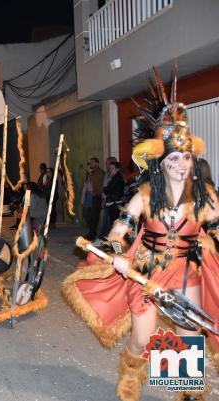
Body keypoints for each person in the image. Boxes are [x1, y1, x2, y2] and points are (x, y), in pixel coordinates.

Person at [62, 72, 219, 401]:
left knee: (188, 333)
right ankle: (131, 373)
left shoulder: (205, 196)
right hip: (147, 271)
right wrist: (117, 251)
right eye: (173, 158)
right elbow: (119, 231)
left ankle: (186, 391)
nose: (180, 164)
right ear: (160, 163)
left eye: (186, 157)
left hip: (187, 269)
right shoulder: (145, 196)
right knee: (144, 337)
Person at [98, 161, 126, 239]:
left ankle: (112, 241)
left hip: (115, 203)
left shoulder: (117, 178)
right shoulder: (116, 177)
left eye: (112, 168)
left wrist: (104, 188)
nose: (110, 170)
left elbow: (108, 189)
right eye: (110, 168)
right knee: (112, 222)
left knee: (113, 223)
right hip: (114, 202)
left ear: (117, 169)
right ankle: (109, 240)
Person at [81, 157, 105, 240]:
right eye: (90, 163)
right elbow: (86, 185)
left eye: (92, 163)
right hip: (90, 195)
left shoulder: (100, 173)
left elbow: (101, 185)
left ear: (96, 164)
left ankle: (92, 233)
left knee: (93, 216)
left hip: (96, 195)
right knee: (86, 213)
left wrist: (99, 194)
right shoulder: (91, 173)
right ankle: (92, 231)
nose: (90, 164)